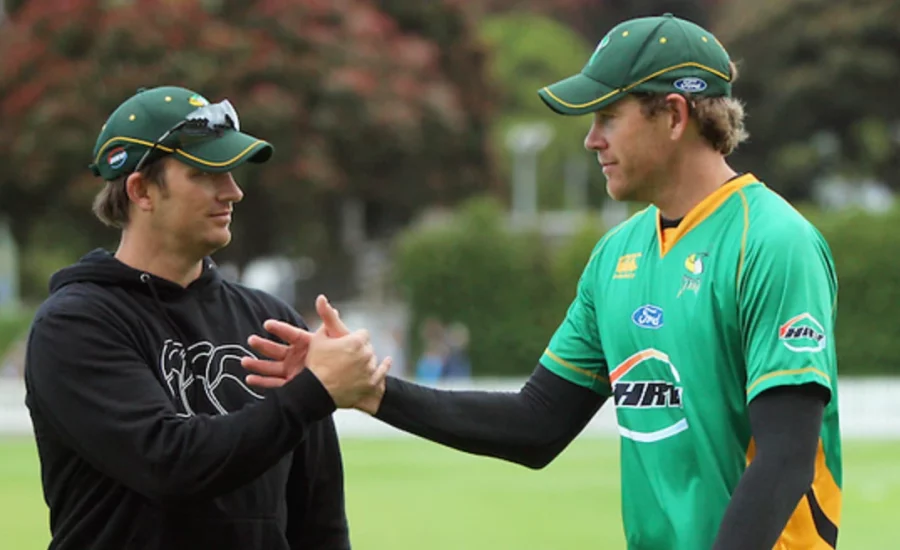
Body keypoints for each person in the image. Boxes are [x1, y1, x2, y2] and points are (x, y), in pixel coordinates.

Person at [243, 13, 842, 550]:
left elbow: (785, 459)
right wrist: (370, 392)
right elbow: (536, 425)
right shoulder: (615, 257)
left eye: (608, 115)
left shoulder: (772, 242)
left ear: (675, 115)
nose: (591, 139)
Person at [24, 86, 389, 550]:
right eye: (204, 174)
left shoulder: (270, 320)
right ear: (141, 191)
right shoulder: (75, 325)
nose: (233, 192)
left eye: (231, 173)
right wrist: (312, 392)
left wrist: (312, 394)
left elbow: (318, 517)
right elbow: (169, 464)